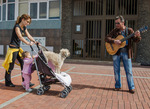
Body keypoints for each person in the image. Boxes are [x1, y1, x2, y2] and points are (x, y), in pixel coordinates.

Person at [105, 15, 141, 94]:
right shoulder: (115, 31)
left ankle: (131, 87)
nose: (116, 25)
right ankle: (118, 86)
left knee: (129, 71)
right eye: (115, 23)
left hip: (126, 53)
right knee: (116, 70)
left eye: (118, 23)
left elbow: (135, 40)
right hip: (116, 53)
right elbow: (107, 38)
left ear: (123, 22)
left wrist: (138, 36)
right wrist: (114, 41)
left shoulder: (129, 30)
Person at [2, 14, 37, 87]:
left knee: (23, 64)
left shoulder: (24, 27)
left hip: (18, 48)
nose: (28, 23)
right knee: (10, 66)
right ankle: (7, 82)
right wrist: (28, 43)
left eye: (29, 22)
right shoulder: (17, 27)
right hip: (13, 49)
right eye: (27, 22)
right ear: (23, 20)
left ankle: (25, 81)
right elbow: (20, 37)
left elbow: (28, 35)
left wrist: (35, 41)